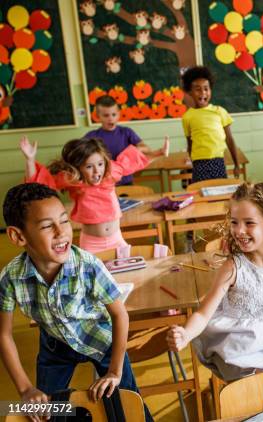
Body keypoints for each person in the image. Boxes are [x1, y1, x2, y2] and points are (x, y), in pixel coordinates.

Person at [0, 183, 152, 422]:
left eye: (64, 221)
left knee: (129, 409)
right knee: (47, 413)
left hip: (101, 341)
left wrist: (114, 371)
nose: (61, 233)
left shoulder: (88, 265)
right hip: (54, 347)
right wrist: (25, 389)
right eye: (48, 226)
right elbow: (4, 335)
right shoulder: (10, 278)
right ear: (18, 236)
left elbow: (120, 314)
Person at [166, 182, 263, 381]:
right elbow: (203, 314)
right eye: (234, 222)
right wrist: (186, 334)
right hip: (237, 347)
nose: (239, 230)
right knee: (260, 387)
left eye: (249, 223)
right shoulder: (232, 267)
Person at [20, 136, 150, 253]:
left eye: (100, 164)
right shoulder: (72, 180)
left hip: (117, 239)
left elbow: (131, 162)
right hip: (92, 244)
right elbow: (39, 183)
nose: (96, 170)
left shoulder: (110, 172)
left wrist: (159, 153)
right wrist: (30, 160)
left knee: (125, 273)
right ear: (78, 168)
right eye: (89, 167)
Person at [85, 95, 168, 186]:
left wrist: (134, 150)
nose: (110, 118)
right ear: (97, 116)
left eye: (114, 114)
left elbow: (146, 149)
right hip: (102, 185)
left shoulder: (126, 132)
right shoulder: (91, 136)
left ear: (118, 114)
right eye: (106, 115)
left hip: (126, 183)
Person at [181, 66, 240, 181]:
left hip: (218, 161)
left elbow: (230, 140)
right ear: (190, 92)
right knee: (201, 192)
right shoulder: (187, 117)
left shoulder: (220, 111)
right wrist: (192, 161)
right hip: (199, 164)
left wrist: (236, 164)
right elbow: (190, 144)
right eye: (198, 89)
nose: (203, 93)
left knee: (219, 193)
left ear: (210, 90)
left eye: (206, 88)